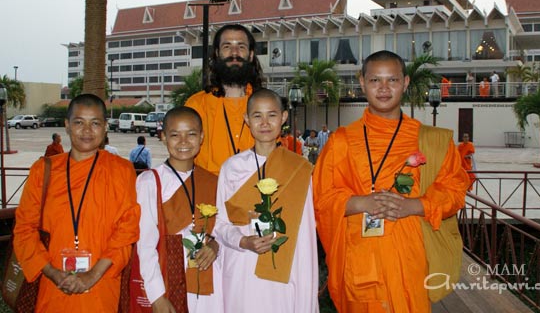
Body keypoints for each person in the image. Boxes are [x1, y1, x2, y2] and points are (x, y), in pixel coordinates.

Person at [312, 51, 470, 312]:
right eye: (375, 81)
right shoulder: (341, 141)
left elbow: (454, 192)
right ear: (362, 82)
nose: (383, 89)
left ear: (405, 83)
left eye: (392, 80)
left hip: (412, 263)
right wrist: (363, 202)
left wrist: (414, 206)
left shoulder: (431, 142)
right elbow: (321, 200)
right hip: (360, 262)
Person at [13, 94, 140, 312]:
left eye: (95, 123)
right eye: (79, 122)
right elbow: (24, 229)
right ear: (67, 125)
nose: (87, 131)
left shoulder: (121, 170)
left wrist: (93, 274)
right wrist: (52, 272)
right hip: (54, 284)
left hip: (101, 283)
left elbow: (126, 231)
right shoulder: (43, 170)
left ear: (105, 127)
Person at [214, 89, 318, 312]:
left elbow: (306, 233)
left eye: (272, 115)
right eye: (257, 115)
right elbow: (220, 224)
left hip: (285, 269)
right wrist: (243, 241)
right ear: (246, 120)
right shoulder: (232, 168)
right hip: (242, 268)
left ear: (283, 118)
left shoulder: (298, 169)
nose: (264, 122)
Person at [136, 106, 222, 312]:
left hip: (210, 281)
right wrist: (157, 296)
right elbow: (145, 244)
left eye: (191, 134)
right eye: (175, 135)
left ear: (201, 137)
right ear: (164, 136)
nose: (183, 142)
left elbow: (223, 231)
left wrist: (216, 246)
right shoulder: (150, 181)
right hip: (166, 281)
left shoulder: (214, 182)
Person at [185, 23, 264, 175]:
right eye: (227, 46)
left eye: (241, 46)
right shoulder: (196, 105)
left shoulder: (266, 105)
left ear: (251, 54)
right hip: (208, 194)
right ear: (216, 54)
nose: (234, 52)